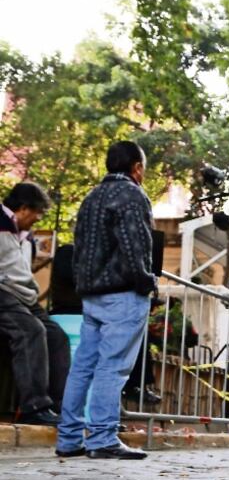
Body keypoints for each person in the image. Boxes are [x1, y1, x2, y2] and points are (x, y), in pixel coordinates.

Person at [56, 141, 157, 460]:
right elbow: (135, 247)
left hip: (91, 295)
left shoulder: (91, 197)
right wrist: (147, 282)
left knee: (82, 367)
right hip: (122, 294)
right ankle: (102, 438)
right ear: (137, 168)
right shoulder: (133, 195)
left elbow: (79, 248)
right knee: (113, 368)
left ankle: (69, 438)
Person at [0, 182, 70, 426]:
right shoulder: (1, 223)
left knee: (57, 336)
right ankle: (34, 406)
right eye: (37, 213)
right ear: (23, 208)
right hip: (3, 292)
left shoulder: (25, 235)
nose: (38, 219)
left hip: (23, 296)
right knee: (31, 331)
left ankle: (59, 406)